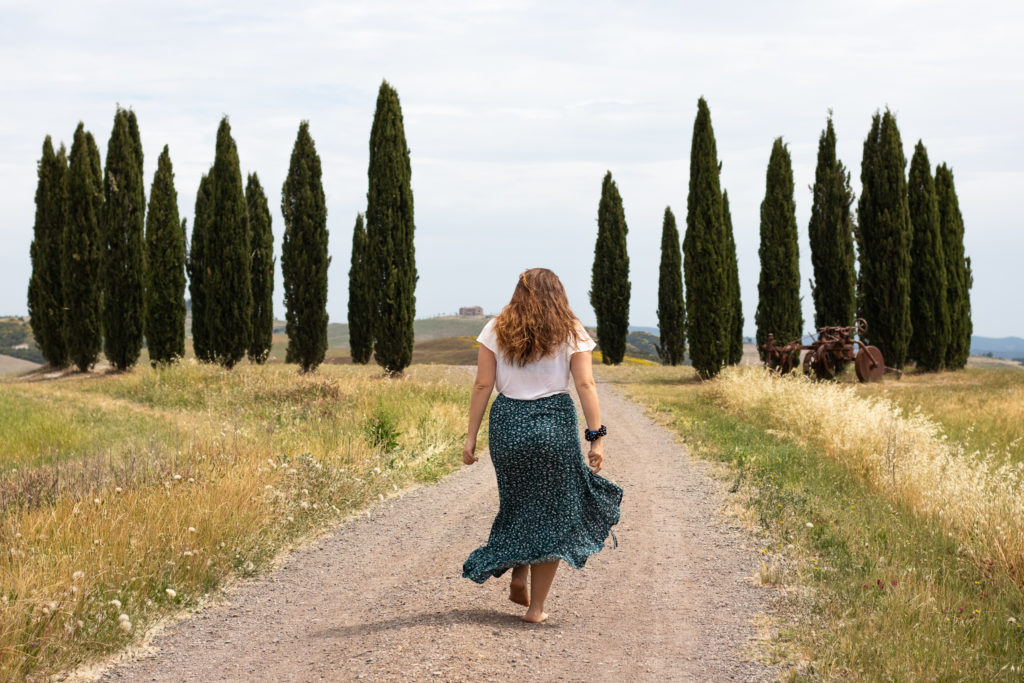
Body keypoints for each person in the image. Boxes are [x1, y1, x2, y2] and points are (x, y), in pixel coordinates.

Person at [461, 267, 623, 623]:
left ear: (519, 293)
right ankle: (536, 609)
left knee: (518, 502)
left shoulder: (495, 328)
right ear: (558, 293)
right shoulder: (571, 330)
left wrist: (471, 437)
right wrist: (596, 439)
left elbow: (481, 386)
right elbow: (586, 385)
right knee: (553, 514)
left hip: (508, 426)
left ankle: (519, 572)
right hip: (554, 425)